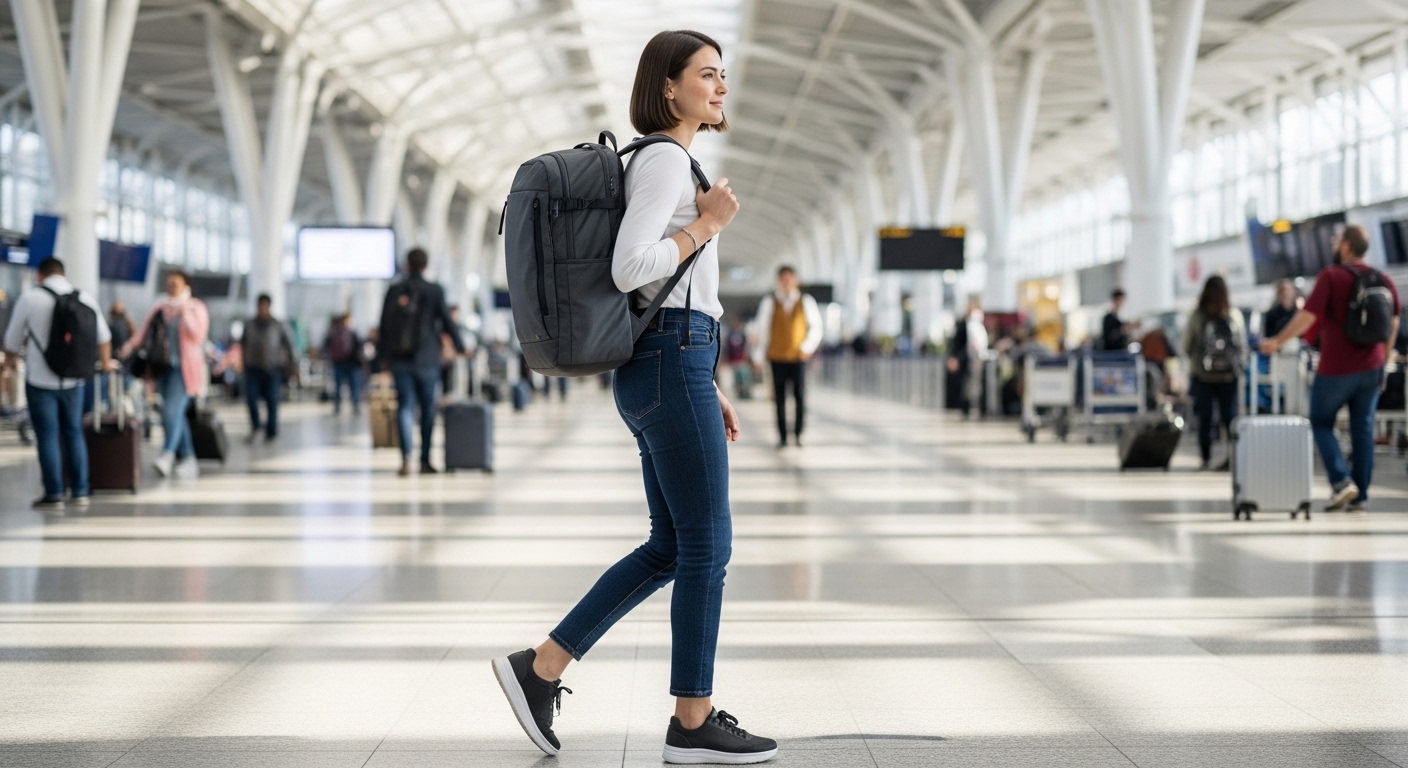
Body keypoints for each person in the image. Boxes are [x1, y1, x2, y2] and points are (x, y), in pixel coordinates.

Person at [491, 30, 776, 765]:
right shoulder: (663, 161)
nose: (720, 87)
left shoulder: (674, 162)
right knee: (707, 544)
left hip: (674, 362)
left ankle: (541, 668)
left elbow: (670, 295)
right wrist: (708, 225)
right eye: (706, 75)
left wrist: (706, 381)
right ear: (668, 88)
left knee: (672, 546)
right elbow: (631, 270)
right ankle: (692, 720)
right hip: (668, 361)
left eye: (723, 75)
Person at [1260, 224, 1401, 512]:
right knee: (1363, 429)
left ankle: (1341, 481)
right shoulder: (1383, 279)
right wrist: (1384, 360)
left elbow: (1308, 316)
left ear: (1346, 247)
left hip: (1337, 366)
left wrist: (1277, 341)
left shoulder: (1332, 276)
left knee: (1321, 421)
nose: (1335, 245)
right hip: (1373, 365)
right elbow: (1394, 323)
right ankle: (1360, 494)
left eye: (1337, 241)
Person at [2, 258, 114, 510]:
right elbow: (104, 337)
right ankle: (80, 490)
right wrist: (106, 362)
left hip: (40, 379)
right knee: (73, 432)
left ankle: (54, 494)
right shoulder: (84, 297)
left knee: (47, 436)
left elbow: (11, 340)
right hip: (74, 380)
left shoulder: (30, 297)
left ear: (40, 275)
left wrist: (7, 364)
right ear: (64, 274)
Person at [377, 247, 464, 476]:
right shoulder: (434, 290)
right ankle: (425, 459)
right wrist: (461, 346)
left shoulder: (394, 290)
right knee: (427, 410)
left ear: (407, 264)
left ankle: (406, 459)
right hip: (427, 359)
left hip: (400, 359)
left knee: (405, 407)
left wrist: (381, 359)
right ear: (425, 265)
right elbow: (446, 321)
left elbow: (384, 325)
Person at [124, 270, 211, 480]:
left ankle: (168, 454)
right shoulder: (160, 307)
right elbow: (144, 332)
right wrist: (128, 347)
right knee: (173, 414)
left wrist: (185, 314)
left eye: (175, 283)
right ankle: (188, 458)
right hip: (162, 369)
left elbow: (198, 335)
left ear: (185, 285)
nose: (171, 286)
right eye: (168, 283)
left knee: (172, 412)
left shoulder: (195, 307)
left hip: (184, 370)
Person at [1182, 275, 1247, 470]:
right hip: (1229, 375)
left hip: (1202, 375)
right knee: (1231, 417)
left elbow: (1186, 346)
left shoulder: (1197, 315)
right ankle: (1235, 458)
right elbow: (1242, 345)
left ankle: (1205, 459)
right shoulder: (1233, 314)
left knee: (1205, 418)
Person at [752, 265, 822, 447]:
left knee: (799, 396)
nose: (786, 282)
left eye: (790, 278)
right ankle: (782, 435)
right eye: (783, 279)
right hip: (776, 357)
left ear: (796, 280)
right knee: (779, 398)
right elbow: (763, 330)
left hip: (798, 357)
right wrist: (759, 356)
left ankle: (798, 433)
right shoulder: (770, 302)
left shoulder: (806, 301)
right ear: (778, 281)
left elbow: (816, 328)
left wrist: (807, 347)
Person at [240, 294, 295, 444]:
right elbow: (242, 345)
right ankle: (256, 427)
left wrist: (292, 365)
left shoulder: (278, 325)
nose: (262, 309)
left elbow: (289, 345)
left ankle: (271, 432)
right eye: (260, 305)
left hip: (273, 369)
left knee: (272, 400)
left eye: (265, 305)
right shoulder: (249, 325)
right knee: (251, 400)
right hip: (252, 369)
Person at [323, 313, 363, 415]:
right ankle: (354, 405)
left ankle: (338, 406)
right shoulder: (352, 333)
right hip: (350, 363)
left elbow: (326, 347)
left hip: (339, 363)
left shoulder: (333, 333)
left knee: (339, 386)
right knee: (353, 386)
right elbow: (359, 348)